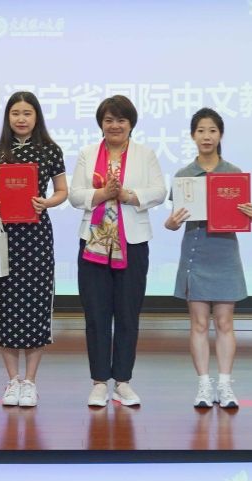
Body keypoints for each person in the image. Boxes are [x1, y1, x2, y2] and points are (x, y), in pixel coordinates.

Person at [68, 94, 166, 407]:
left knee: (127, 313)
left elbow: (160, 191)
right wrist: (101, 194)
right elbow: (74, 195)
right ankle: (99, 382)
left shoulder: (145, 154)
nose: (115, 125)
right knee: (96, 315)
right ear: (101, 123)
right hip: (93, 243)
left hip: (132, 243)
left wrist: (128, 195)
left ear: (131, 124)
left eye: (121, 120)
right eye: (108, 120)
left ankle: (123, 381)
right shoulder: (87, 154)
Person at [165, 107, 252, 408]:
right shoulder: (183, 176)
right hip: (196, 252)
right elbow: (174, 219)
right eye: (201, 131)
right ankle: (204, 386)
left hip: (225, 253)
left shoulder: (233, 173)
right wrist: (171, 223)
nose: (206, 136)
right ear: (192, 135)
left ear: (220, 135)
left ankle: (226, 386)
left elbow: (245, 213)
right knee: (198, 324)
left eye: (212, 131)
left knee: (225, 323)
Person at [0, 90, 68, 405]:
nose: (21, 118)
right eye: (15, 113)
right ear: (8, 117)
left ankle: (30, 381)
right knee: (5, 305)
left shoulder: (50, 150)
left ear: (36, 117)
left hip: (36, 236)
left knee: (35, 305)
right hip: (5, 234)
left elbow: (62, 191)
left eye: (27, 113)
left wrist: (46, 203)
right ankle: (12, 381)